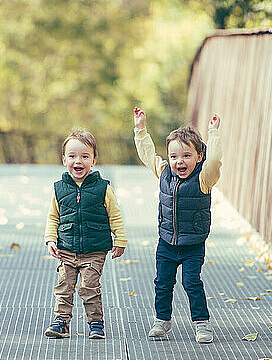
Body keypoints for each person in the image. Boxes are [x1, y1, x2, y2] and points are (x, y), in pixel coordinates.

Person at [133, 106, 222, 343]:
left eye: (186, 156)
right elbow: (148, 155)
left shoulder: (204, 179)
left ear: (199, 157)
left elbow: (214, 160)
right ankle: (162, 321)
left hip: (193, 244)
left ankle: (202, 324)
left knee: (191, 282)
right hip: (167, 242)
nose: (179, 162)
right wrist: (140, 130)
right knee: (163, 283)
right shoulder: (164, 173)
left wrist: (213, 134)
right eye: (174, 156)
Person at [44, 129, 127, 339]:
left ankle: (96, 323)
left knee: (89, 287)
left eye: (84, 156)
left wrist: (120, 239)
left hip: (94, 250)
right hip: (66, 249)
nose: (77, 161)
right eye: (72, 156)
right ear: (64, 160)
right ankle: (61, 322)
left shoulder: (103, 188)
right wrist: (50, 239)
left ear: (94, 160)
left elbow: (115, 216)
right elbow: (53, 217)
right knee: (64, 287)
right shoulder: (59, 188)